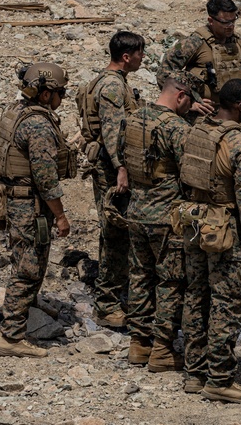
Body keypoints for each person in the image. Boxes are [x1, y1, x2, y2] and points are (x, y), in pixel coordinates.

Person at [179, 79, 241, 403]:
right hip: (224, 228)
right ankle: (219, 378)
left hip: (193, 220)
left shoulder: (198, 130)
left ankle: (194, 372)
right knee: (226, 300)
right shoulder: (240, 143)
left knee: (196, 294)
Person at [0, 63, 77, 358]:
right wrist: (62, 215)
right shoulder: (38, 124)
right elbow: (46, 178)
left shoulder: (16, 110)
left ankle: (27, 305)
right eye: (59, 93)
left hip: (18, 200)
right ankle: (12, 336)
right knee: (28, 268)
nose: (61, 98)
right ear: (44, 95)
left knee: (27, 259)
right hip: (30, 205)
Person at [123, 71, 203, 372]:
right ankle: (162, 350)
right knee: (170, 282)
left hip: (136, 212)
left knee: (140, 277)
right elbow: (191, 173)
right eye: (188, 102)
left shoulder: (132, 119)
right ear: (180, 96)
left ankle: (138, 344)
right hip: (166, 218)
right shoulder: (177, 128)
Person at [77, 31, 145, 328]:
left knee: (116, 233)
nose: (143, 58)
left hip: (108, 166)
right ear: (126, 57)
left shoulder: (109, 81)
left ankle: (115, 297)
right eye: (140, 53)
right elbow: (112, 131)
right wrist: (121, 167)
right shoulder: (113, 87)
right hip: (110, 169)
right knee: (115, 234)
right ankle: (107, 305)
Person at [156, 0, 241, 114]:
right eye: (225, 22)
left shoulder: (238, 42)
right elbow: (163, 73)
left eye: (233, 20)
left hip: (233, 111)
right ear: (211, 20)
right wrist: (190, 103)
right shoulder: (194, 42)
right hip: (203, 113)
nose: (231, 26)